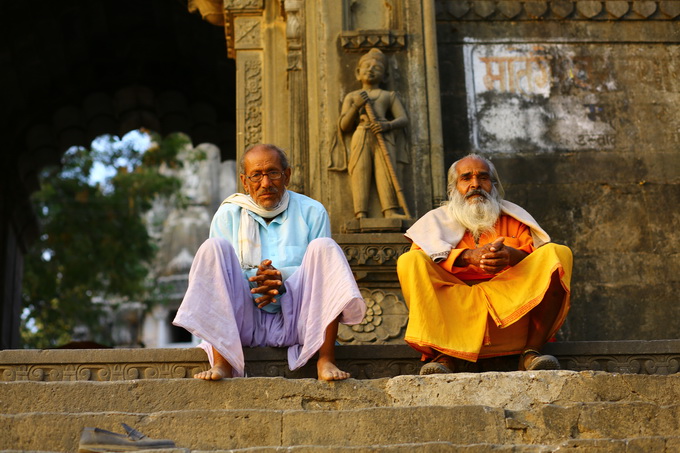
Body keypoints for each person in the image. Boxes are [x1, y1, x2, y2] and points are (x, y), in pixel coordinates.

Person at [173, 144, 366, 381]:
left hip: (298, 322)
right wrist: (259, 278)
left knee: (325, 248)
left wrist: (280, 278)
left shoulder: (312, 211)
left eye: (273, 173)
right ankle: (223, 361)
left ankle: (325, 359)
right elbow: (218, 275)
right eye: (257, 175)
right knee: (213, 248)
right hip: (242, 322)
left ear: (287, 176)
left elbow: (323, 274)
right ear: (245, 182)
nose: (265, 183)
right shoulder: (227, 215)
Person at [397, 154, 572, 374]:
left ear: (494, 185)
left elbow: (537, 261)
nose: (475, 184)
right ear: (453, 188)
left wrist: (511, 256)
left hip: (510, 318)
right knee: (409, 260)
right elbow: (421, 269)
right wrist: (466, 256)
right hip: (456, 318)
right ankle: (443, 356)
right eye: (466, 178)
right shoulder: (434, 223)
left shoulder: (514, 219)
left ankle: (530, 353)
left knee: (558, 253)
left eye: (483, 177)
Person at [330, 48, 409, 219]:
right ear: (358, 73)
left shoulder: (388, 95)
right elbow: (344, 125)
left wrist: (387, 126)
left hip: (383, 135)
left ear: (385, 76)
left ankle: (390, 211)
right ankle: (361, 213)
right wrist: (356, 106)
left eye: (377, 68)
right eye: (366, 66)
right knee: (360, 171)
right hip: (361, 135)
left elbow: (403, 119)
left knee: (386, 172)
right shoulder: (353, 96)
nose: (371, 69)